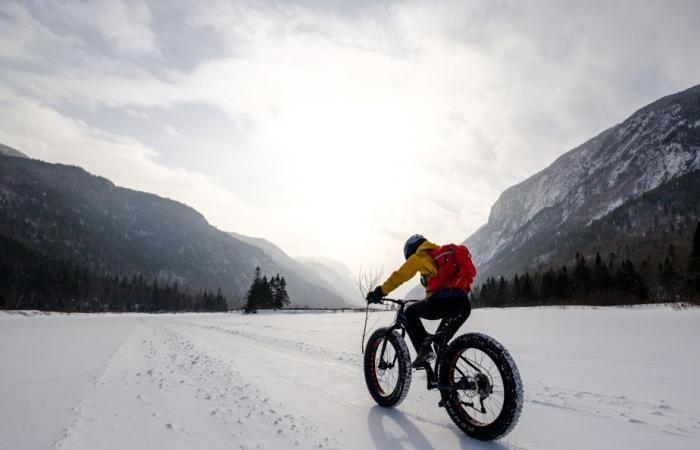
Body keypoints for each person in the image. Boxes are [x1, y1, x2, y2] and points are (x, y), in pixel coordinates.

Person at [366, 234, 471, 368]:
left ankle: (425, 351)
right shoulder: (441, 254)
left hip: (443, 302)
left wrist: (379, 292)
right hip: (463, 304)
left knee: (409, 312)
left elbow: (399, 276)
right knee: (440, 342)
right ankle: (447, 382)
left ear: (411, 250)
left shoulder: (420, 256)